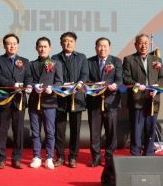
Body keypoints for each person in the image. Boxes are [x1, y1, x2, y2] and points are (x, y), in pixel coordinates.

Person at [122, 34, 163, 157]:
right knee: (136, 129)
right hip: (137, 99)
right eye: (140, 43)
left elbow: (162, 78)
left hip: (153, 99)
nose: (143, 45)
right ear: (136, 45)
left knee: (151, 128)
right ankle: (135, 154)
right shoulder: (129, 59)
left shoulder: (157, 60)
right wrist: (135, 84)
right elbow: (125, 77)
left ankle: (149, 153)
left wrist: (157, 86)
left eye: (146, 43)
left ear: (149, 44)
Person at [52, 32, 89, 168]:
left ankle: (73, 157)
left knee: (75, 129)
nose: (68, 43)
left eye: (71, 41)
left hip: (76, 97)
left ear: (75, 43)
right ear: (61, 43)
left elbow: (85, 74)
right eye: (65, 41)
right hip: (60, 97)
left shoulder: (81, 57)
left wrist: (80, 83)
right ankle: (60, 156)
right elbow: (53, 76)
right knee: (59, 129)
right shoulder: (55, 58)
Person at [25, 37, 63, 170]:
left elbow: (59, 82)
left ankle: (49, 157)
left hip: (50, 102)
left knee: (50, 132)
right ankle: (36, 156)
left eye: (45, 46)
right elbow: (28, 80)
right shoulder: (31, 64)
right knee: (35, 132)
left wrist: (52, 88)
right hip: (34, 102)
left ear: (50, 48)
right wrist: (33, 86)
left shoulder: (56, 63)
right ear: (36, 48)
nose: (42, 49)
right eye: (40, 46)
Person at [0, 33, 29, 169]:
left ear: (17, 45)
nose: (12, 46)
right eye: (9, 43)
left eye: (14, 43)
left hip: (19, 99)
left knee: (18, 130)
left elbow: (28, 77)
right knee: (2, 130)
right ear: (4, 46)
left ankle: (17, 158)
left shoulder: (24, 61)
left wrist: (28, 85)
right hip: (4, 98)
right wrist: (13, 84)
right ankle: (1, 158)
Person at [86, 37, 123, 171]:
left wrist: (115, 85)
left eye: (105, 46)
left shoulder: (116, 61)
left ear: (109, 47)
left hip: (111, 101)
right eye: (100, 46)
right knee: (94, 132)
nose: (102, 49)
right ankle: (95, 157)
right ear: (96, 48)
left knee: (111, 132)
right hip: (94, 102)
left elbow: (119, 79)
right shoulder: (89, 61)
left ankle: (109, 157)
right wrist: (95, 85)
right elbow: (86, 79)